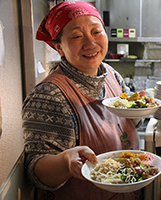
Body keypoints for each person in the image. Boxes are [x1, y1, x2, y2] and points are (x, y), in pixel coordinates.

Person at [22, 1, 142, 199]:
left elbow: (129, 122)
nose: (90, 43)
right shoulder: (48, 96)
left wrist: (140, 109)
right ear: (59, 47)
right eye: (77, 36)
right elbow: (35, 170)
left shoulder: (111, 74)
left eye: (96, 31)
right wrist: (65, 162)